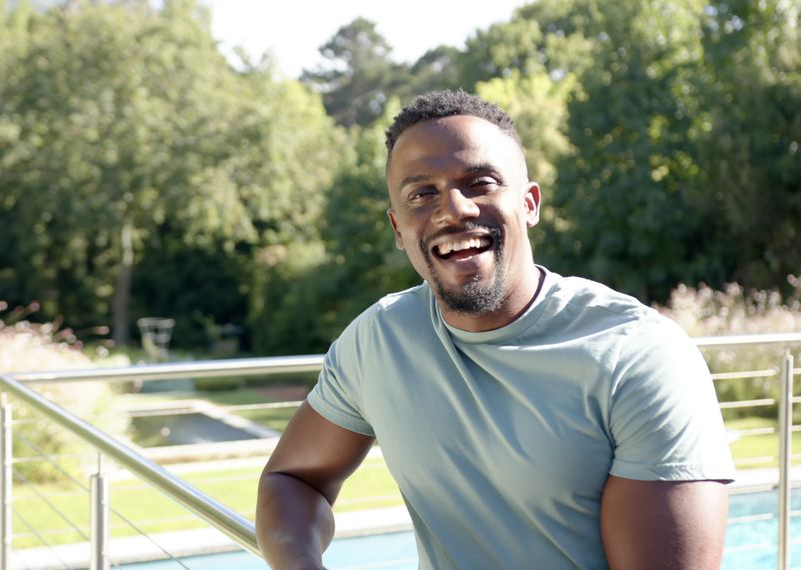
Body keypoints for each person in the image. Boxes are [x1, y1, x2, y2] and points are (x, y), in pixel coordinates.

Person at [256, 89, 735, 569]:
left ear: (529, 203)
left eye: (480, 183)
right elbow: (294, 478)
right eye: (422, 194)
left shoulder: (639, 355)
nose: (454, 210)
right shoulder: (376, 342)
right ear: (398, 230)